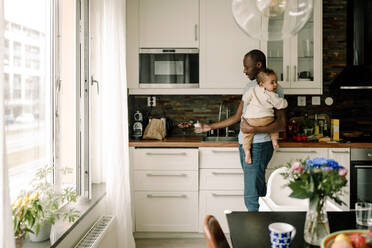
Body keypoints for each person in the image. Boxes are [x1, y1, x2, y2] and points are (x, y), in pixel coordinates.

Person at [200, 49, 286, 211]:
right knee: (258, 187)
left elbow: (281, 124)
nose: (244, 71)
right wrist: (211, 126)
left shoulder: (274, 88)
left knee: (251, 193)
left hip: (260, 145)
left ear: (258, 65)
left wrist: (253, 128)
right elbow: (238, 116)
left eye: (247, 67)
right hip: (245, 143)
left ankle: (254, 231)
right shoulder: (249, 86)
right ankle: (264, 227)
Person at [242, 68, 288, 164]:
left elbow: (245, 99)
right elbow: (280, 104)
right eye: (272, 82)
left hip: (251, 120)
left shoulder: (252, 90)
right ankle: (274, 141)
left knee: (247, 135)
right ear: (262, 84)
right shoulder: (271, 95)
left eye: (276, 81)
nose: (276, 85)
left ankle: (247, 152)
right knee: (273, 128)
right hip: (266, 119)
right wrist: (285, 102)